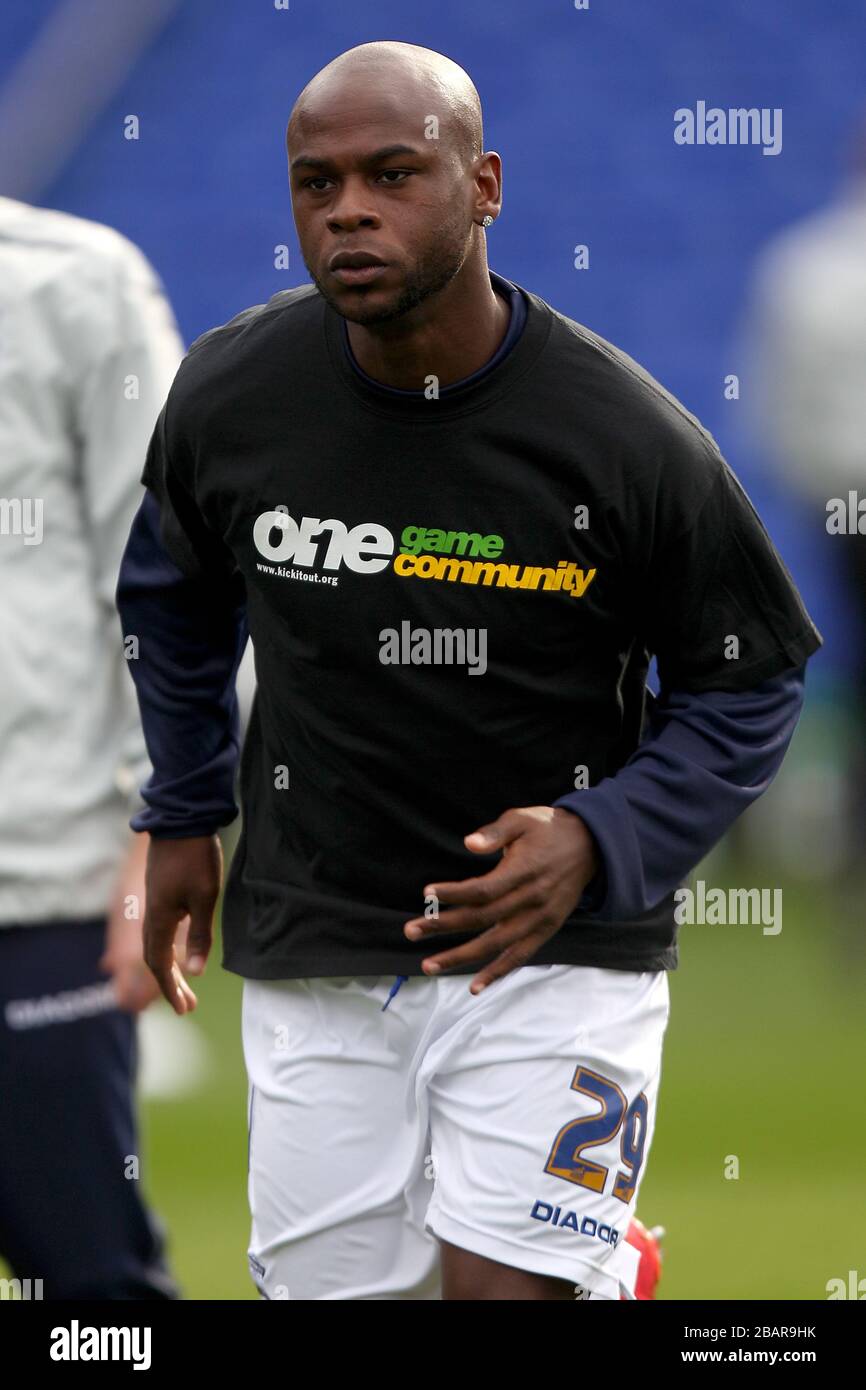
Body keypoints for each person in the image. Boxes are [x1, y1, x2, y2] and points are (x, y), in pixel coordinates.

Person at [116, 42, 822, 1301]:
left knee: (505, 1296)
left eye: (393, 173)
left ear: (482, 183)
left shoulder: (624, 438)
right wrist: (179, 811)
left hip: (554, 953)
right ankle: (617, 1268)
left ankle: (583, 1266)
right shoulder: (232, 394)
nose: (348, 210)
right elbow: (171, 596)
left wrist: (602, 835)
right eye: (315, 183)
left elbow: (747, 677)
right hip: (318, 933)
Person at [0, 195, 181, 1299]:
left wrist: (158, 825)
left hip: (39, 889)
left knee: (92, 1297)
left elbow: (175, 579)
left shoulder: (72, 280)